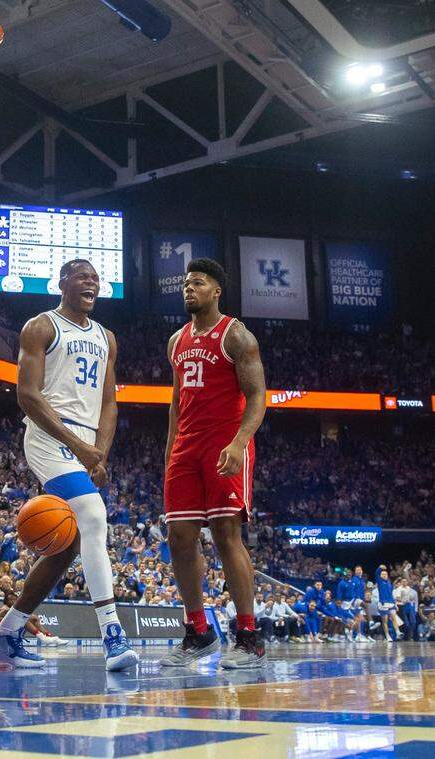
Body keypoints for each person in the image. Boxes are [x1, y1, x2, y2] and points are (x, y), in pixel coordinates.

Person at [0, 259, 136, 672]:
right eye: (82, 275)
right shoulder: (41, 327)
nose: (92, 282)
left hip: (86, 442)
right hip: (49, 436)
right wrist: (79, 447)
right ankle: (113, 635)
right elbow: (28, 396)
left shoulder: (107, 337)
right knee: (93, 514)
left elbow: (109, 401)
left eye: (96, 278)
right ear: (62, 283)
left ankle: (6, 633)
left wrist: (99, 451)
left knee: (66, 545)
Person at [160, 258, 267, 670]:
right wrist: (170, 452)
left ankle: (248, 635)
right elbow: (175, 403)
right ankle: (198, 631)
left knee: (226, 535)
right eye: (186, 283)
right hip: (186, 448)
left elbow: (258, 396)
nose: (189, 288)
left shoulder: (236, 335)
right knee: (180, 539)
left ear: (216, 291)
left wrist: (240, 443)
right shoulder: (176, 340)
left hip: (225, 443)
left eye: (198, 283)